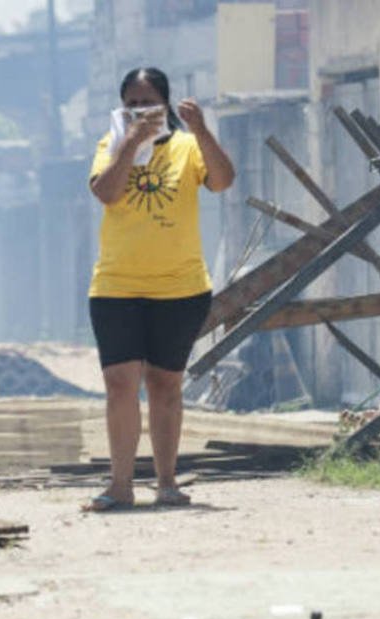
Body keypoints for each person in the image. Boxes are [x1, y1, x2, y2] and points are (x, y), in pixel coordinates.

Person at [84, 67, 234, 511]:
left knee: (165, 384)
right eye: (130, 103)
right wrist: (131, 142)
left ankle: (167, 483)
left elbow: (223, 180)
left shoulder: (189, 147)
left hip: (180, 288)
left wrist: (202, 129)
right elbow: (107, 193)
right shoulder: (109, 146)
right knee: (119, 384)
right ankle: (121, 485)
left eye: (148, 102)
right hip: (116, 286)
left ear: (166, 105)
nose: (139, 110)